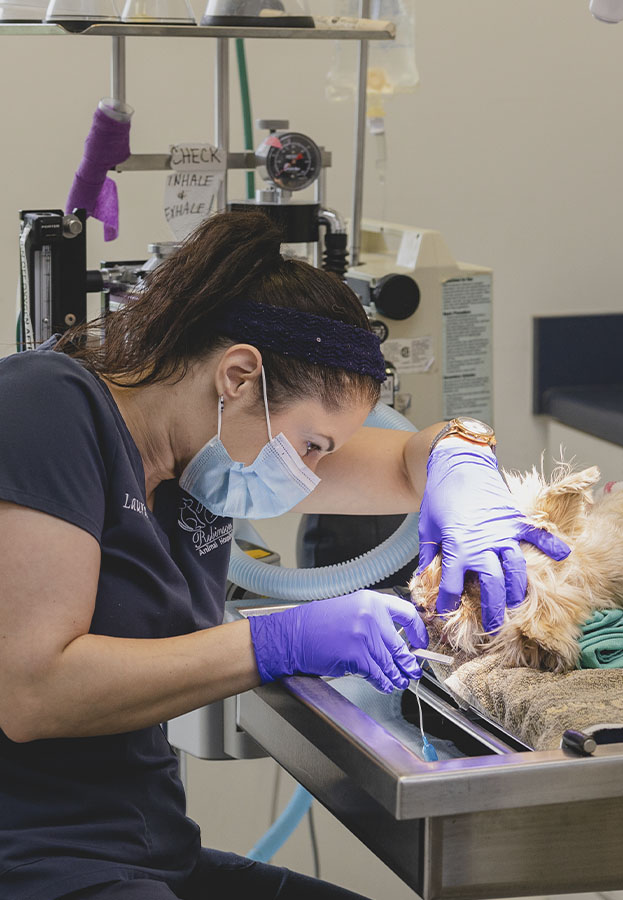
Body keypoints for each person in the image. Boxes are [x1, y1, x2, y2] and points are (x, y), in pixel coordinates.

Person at [0, 210, 569, 900]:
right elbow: (32, 693)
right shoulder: (45, 407)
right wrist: (279, 640)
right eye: (312, 446)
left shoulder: (198, 464)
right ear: (238, 376)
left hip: (148, 852)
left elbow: (411, 458)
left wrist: (461, 459)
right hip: (35, 865)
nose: (309, 472)